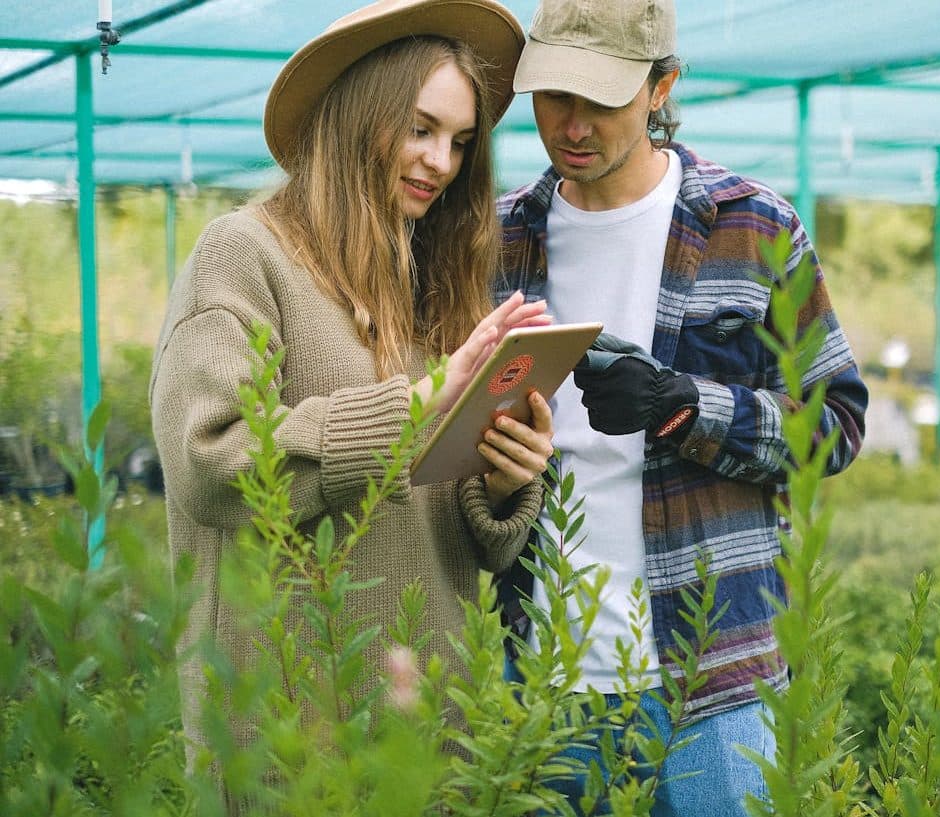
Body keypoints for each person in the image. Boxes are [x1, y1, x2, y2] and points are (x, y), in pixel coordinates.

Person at [149, 0, 552, 776]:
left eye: (461, 142)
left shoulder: (430, 280)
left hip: (434, 719)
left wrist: (502, 482)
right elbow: (212, 458)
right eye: (420, 128)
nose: (441, 161)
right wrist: (419, 401)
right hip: (288, 723)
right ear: (357, 115)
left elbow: (447, 522)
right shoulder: (244, 253)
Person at [494, 0, 869, 813]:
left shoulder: (752, 226)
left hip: (713, 683)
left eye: (602, 98)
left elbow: (834, 423)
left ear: (661, 86)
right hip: (539, 678)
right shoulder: (495, 239)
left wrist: (682, 405)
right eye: (554, 95)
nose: (572, 123)